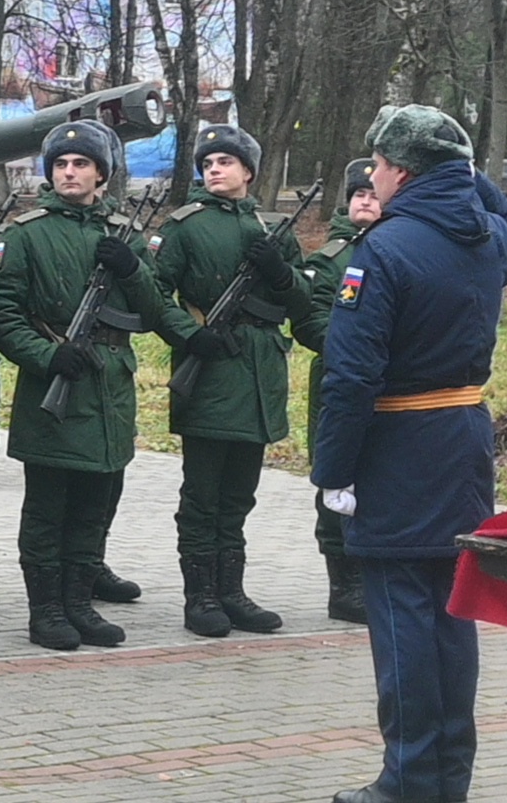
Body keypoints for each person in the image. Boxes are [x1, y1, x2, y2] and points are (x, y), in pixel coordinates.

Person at [314, 106, 507, 803]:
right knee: (450, 617)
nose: (372, 175)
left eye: (378, 163)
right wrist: (474, 176)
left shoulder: (384, 249)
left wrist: (334, 472)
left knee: (402, 614)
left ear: (402, 171)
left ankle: (408, 780)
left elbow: (351, 376)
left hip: (398, 447)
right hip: (463, 439)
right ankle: (446, 778)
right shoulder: (485, 238)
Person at [0, 121, 168, 650]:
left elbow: (155, 311)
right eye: (61, 165)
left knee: (95, 502)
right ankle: (46, 610)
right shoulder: (26, 233)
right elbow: (3, 314)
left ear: (101, 175)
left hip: (109, 388)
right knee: (48, 508)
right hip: (55, 388)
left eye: (81, 164)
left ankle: (80, 603)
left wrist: (132, 270)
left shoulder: (124, 234)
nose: (70, 172)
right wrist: (47, 355)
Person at [150, 124, 313, 638]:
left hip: (260, 376)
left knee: (240, 494)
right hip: (211, 371)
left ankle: (232, 591)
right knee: (203, 493)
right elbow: (150, 294)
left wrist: (282, 273)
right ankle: (200, 596)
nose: (215, 170)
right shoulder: (184, 226)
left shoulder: (272, 230)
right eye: (208, 163)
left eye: (226, 162)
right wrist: (189, 336)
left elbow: (304, 305)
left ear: (249, 172)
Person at [293, 157, 378, 626]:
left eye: (374, 195)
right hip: (338, 384)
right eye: (359, 196)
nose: (366, 202)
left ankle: (372, 577)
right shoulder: (328, 261)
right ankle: (342, 586)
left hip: (388, 387)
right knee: (336, 480)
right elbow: (309, 320)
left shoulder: (395, 250)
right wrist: (353, 350)